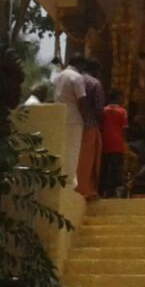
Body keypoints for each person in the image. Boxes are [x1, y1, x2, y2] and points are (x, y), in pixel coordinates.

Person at [50, 56, 87, 191]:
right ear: (79, 64)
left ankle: (61, 179)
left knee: (63, 149)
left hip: (60, 117)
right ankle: (69, 182)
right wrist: (86, 118)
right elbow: (82, 100)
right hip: (73, 118)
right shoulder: (76, 77)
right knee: (73, 150)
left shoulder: (59, 77)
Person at [77, 59, 106, 200]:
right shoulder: (95, 83)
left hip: (75, 125)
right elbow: (99, 109)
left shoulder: (75, 80)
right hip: (90, 124)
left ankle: (77, 187)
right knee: (90, 159)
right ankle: (87, 189)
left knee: (76, 157)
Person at [100, 88, 128, 198]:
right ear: (118, 98)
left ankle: (104, 190)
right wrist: (125, 143)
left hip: (105, 143)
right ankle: (113, 191)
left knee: (105, 167)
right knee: (116, 168)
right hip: (117, 144)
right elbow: (124, 129)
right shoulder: (122, 111)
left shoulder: (103, 111)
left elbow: (101, 127)